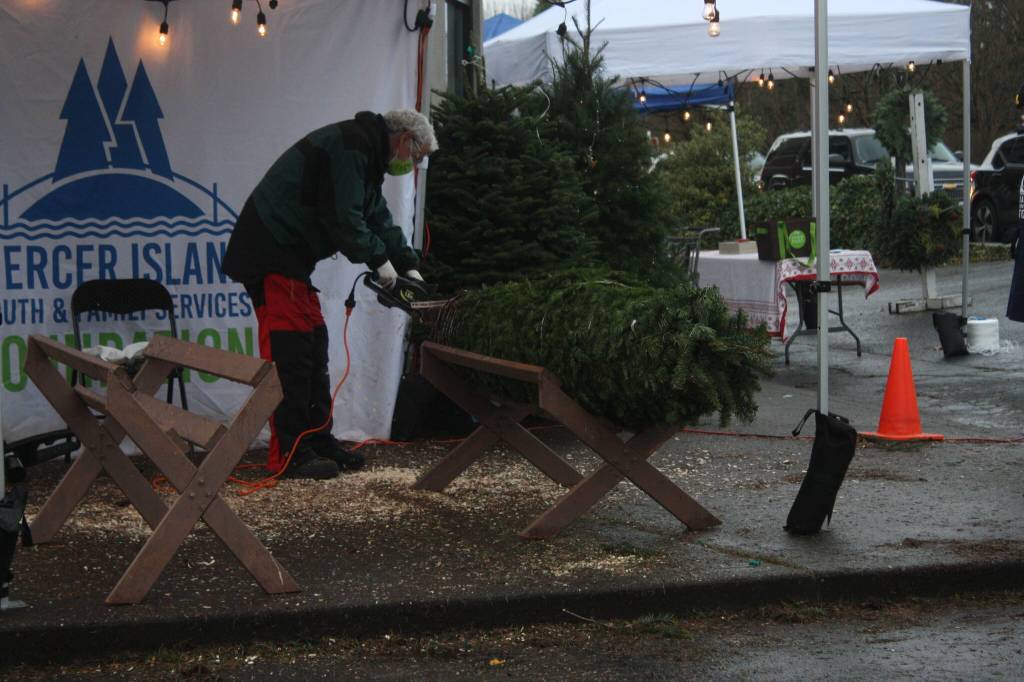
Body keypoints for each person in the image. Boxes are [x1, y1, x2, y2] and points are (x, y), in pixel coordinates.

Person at [222, 110, 437, 479]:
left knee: (314, 344)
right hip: (271, 250)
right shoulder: (351, 148)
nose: (412, 164)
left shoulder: (366, 159)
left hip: (292, 258)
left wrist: (407, 264)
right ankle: (289, 454)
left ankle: (317, 439)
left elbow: (377, 218)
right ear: (404, 140)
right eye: (415, 157)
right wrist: (380, 263)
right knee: (290, 353)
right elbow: (344, 218)